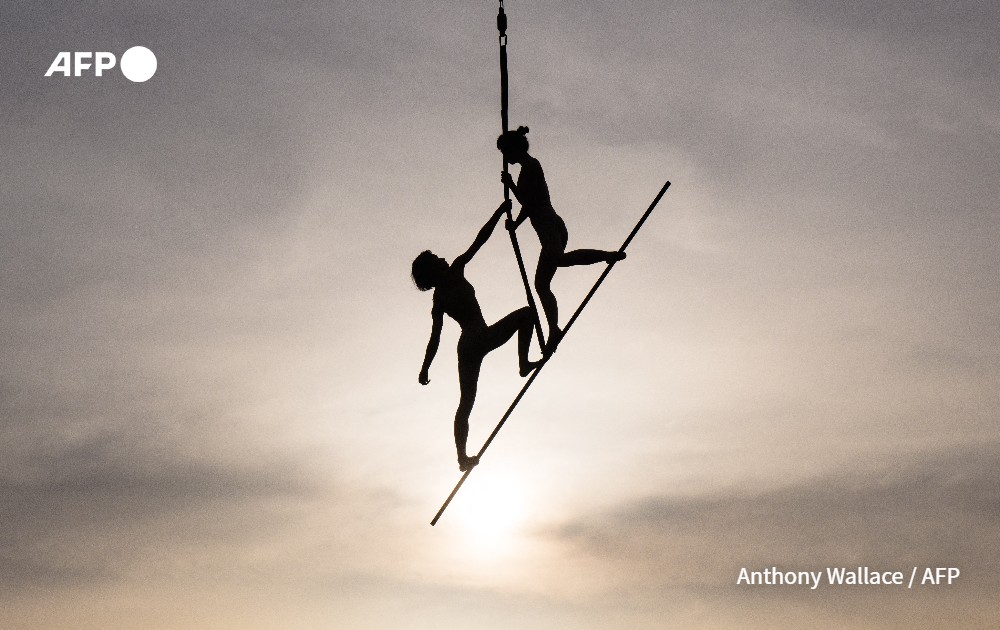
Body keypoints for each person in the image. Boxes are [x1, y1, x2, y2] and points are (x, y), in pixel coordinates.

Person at [413, 200, 540, 472]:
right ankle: (522, 363)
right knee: (528, 314)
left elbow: (435, 339)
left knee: (466, 403)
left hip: (467, 347)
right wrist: (499, 211)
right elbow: (480, 239)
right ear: (433, 270)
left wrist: (425, 368)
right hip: (479, 337)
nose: (442, 258)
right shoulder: (454, 272)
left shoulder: (439, 299)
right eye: (436, 259)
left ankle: (461, 457)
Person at [498, 126, 624, 353]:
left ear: (514, 149)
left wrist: (511, 185)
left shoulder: (531, 166)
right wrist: (515, 224)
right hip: (548, 227)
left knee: (559, 260)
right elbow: (528, 206)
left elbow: (529, 202)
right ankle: (553, 329)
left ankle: (607, 255)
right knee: (541, 284)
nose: (505, 158)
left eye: (505, 153)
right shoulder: (526, 168)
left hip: (550, 225)